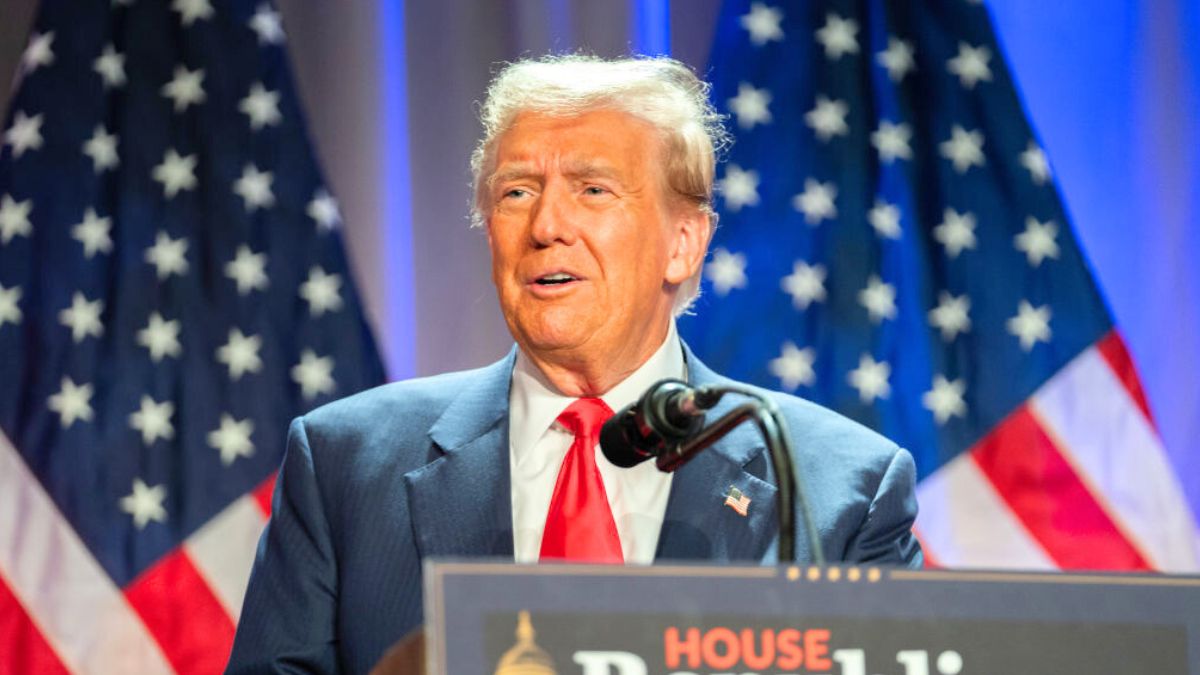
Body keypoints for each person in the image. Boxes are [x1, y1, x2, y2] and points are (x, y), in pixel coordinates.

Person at [225, 54, 922, 674]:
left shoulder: (841, 489)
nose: (546, 225)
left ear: (683, 242)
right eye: (516, 191)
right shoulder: (344, 462)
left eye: (593, 189)